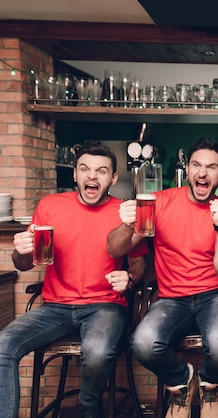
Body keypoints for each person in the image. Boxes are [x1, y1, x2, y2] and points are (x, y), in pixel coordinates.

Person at [1, 142, 148, 418]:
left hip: (104, 306)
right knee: (2, 345)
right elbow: (23, 264)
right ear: (75, 175)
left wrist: (129, 277)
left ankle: (89, 403)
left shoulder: (123, 212)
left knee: (98, 351)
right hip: (54, 307)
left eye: (101, 171)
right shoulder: (50, 206)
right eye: (85, 169)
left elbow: (139, 262)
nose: (92, 176)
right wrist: (19, 251)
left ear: (113, 179)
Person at [107, 138, 218, 418]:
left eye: (211, 167)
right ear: (188, 168)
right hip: (172, 299)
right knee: (143, 343)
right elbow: (115, 248)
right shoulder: (159, 203)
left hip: (216, 295)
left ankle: (210, 387)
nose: (202, 173)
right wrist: (126, 224)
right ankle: (183, 381)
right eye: (196, 165)